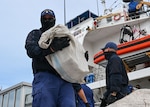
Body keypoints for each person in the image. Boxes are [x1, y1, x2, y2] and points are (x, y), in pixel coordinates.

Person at [25, 9, 76, 107]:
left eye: (50, 18)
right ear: (41, 20)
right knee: (44, 103)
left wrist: (82, 58)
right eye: (45, 18)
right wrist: (51, 48)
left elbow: (72, 53)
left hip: (65, 79)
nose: (48, 20)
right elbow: (31, 51)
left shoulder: (62, 36)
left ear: (54, 19)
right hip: (45, 76)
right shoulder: (35, 34)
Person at [100, 42, 129, 107]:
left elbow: (115, 75)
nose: (103, 52)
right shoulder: (114, 59)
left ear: (108, 49)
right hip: (119, 90)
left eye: (103, 50)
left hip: (119, 92)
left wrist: (114, 93)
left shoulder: (114, 59)